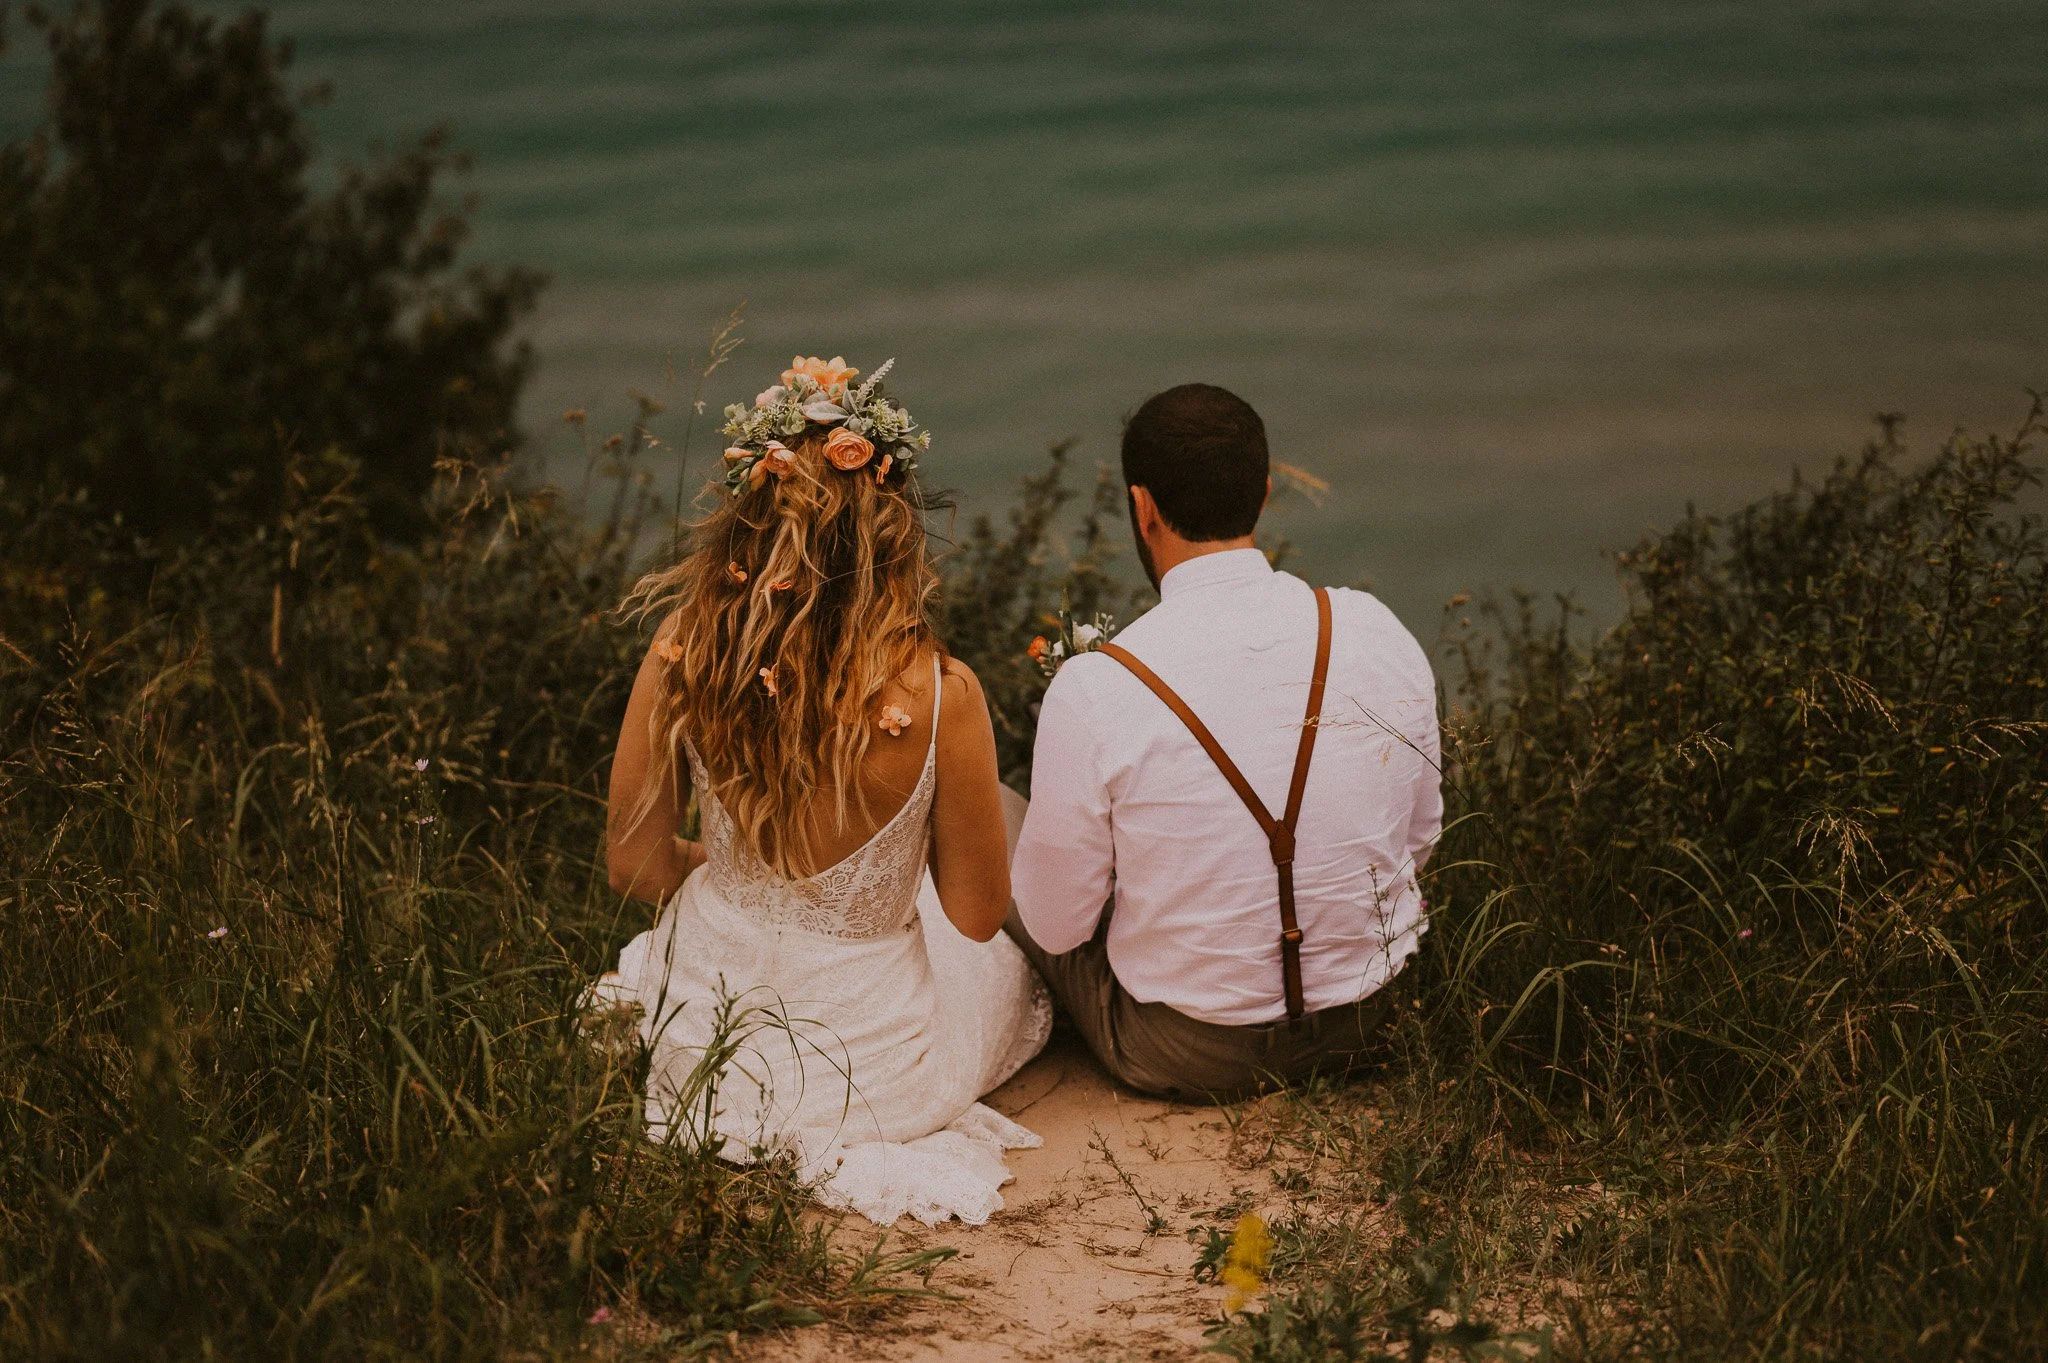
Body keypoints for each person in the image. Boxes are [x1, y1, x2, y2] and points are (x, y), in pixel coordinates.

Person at [596, 356, 1051, 1226]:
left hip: (706, 1035)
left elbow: (635, 869)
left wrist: (751, 884)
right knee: (1000, 966)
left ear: (750, 518)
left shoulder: (684, 648)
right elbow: (977, 914)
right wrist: (869, 888)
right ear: (892, 530)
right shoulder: (940, 695)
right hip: (868, 1067)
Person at [1007, 383, 1441, 1101]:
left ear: (1142, 508)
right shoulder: (1373, 627)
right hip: (1374, 1021)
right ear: (1265, 493)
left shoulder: (1097, 685)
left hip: (1185, 1053)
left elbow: (1056, 929)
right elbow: (1421, 838)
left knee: (995, 809)